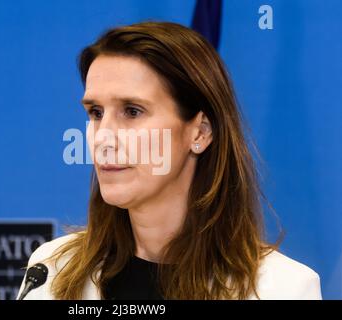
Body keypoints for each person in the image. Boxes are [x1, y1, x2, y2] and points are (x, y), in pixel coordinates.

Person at [19, 21, 321, 300]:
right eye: (96, 113)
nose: (102, 138)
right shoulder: (49, 272)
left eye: (132, 111)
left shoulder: (284, 288)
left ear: (200, 132)